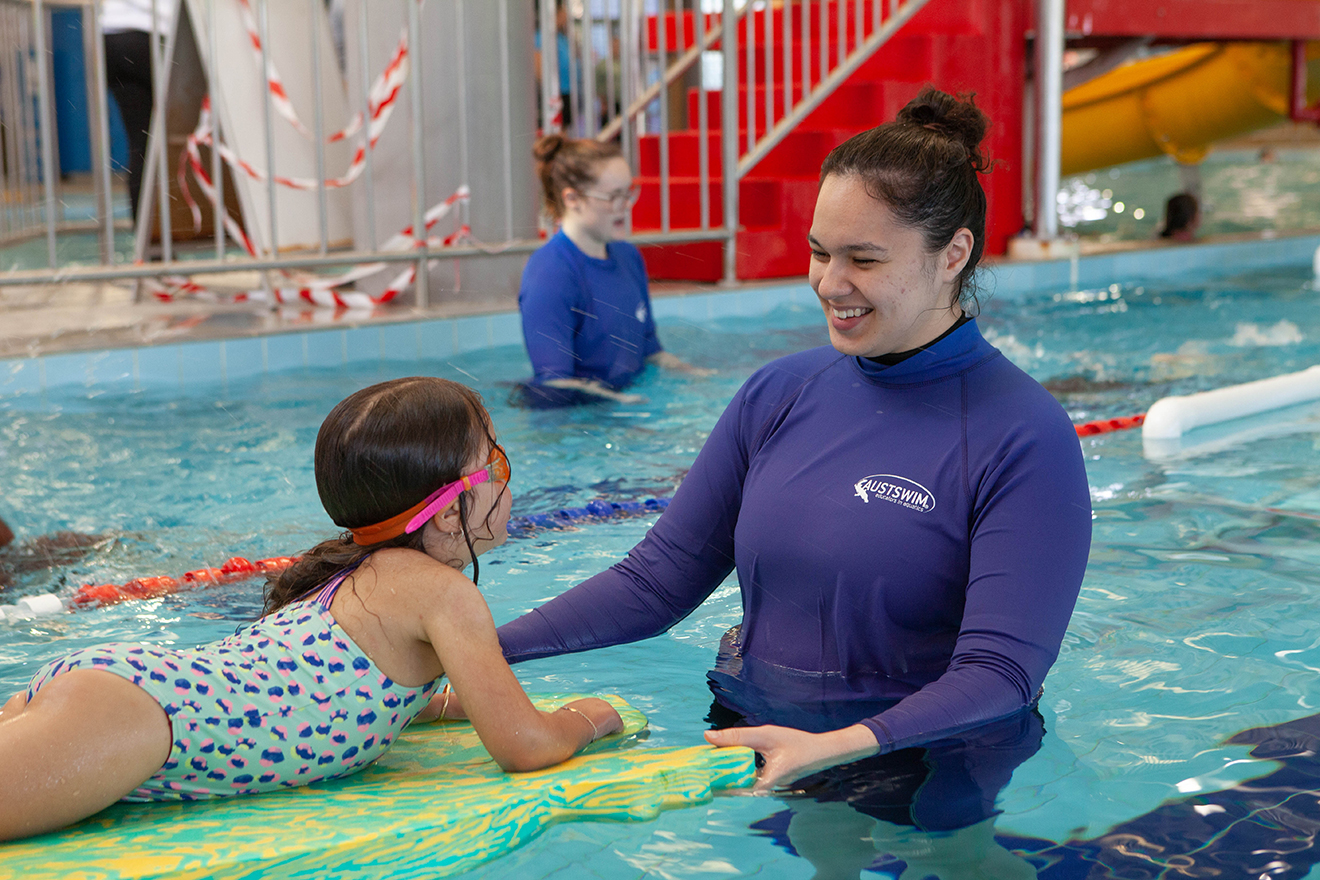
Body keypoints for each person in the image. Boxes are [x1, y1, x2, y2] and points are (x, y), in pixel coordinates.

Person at [498, 88, 1092, 793]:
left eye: (863, 260)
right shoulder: (779, 394)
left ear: (953, 253)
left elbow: (1002, 673)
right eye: (818, 252)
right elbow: (655, 582)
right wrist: (477, 650)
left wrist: (843, 745)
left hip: (920, 767)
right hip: (751, 740)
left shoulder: (1022, 435)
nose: (828, 283)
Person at [0, 376, 622, 841]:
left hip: (127, 694)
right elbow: (525, 747)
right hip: (137, 721)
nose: (509, 482)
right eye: (497, 464)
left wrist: (442, 708)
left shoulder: (348, 574)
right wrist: (585, 719)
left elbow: (321, 686)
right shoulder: (445, 595)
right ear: (449, 509)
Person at [517, 134, 711, 408]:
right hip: (580, 421)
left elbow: (650, 349)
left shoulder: (628, 256)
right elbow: (553, 383)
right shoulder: (550, 273)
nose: (626, 206)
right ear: (573, 198)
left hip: (626, 403)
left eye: (628, 193)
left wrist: (695, 375)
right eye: (613, 197)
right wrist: (620, 402)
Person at [101, 0, 176, 222]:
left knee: (140, 144)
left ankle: (146, 236)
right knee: (172, 137)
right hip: (153, 33)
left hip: (111, 37)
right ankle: (166, 232)